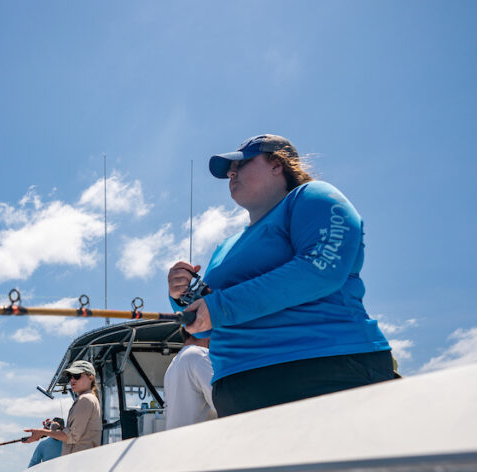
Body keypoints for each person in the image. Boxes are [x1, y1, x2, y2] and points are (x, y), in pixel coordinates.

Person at [168, 134, 396, 418]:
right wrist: (182, 297)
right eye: (229, 170)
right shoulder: (224, 247)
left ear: (277, 164)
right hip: (235, 387)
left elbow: (320, 270)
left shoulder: (314, 197)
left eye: (242, 164)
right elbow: (204, 329)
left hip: (326, 367)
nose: (231, 173)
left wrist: (220, 307)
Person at [23, 360, 101, 455]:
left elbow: (71, 437)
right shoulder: (90, 399)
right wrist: (59, 428)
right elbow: (79, 434)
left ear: (91, 377)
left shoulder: (85, 400)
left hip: (79, 463)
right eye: (70, 376)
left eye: (77, 376)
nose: (72, 380)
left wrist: (42, 432)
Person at [163, 328, 215, 429]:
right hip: (197, 440)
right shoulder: (199, 355)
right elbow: (219, 401)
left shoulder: (174, 363)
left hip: (176, 439)